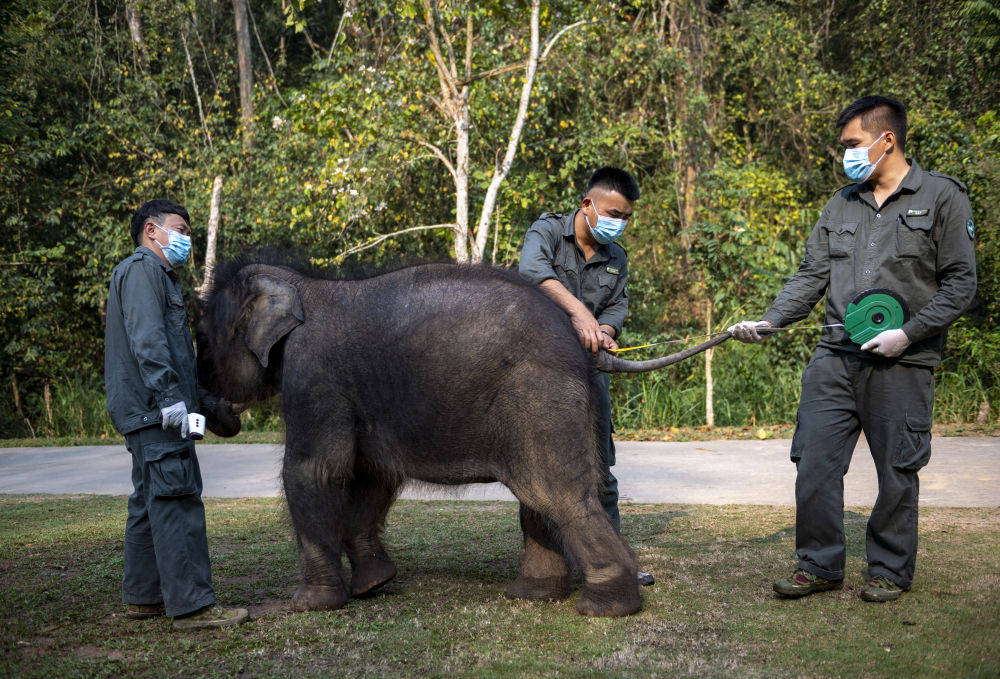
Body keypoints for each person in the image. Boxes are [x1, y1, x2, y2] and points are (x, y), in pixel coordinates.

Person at [728, 96, 977, 602]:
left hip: (904, 361)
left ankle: (887, 569)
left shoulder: (943, 197)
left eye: (853, 144)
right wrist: (771, 320)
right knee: (814, 461)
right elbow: (811, 275)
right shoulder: (841, 203)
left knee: (897, 470)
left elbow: (960, 283)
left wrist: (908, 333)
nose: (846, 155)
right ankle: (818, 563)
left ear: (887, 141)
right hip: (835, 356)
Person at [104, 199, 248, 629]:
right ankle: (193, 607)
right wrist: (170, 400)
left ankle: (145, 598)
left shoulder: (151, 277)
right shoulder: (144, 271)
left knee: (149, 503)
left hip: (148, 410)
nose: (186, 239)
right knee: (177, 498)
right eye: (180, 229)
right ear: (152, 230)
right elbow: (149, 342)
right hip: (155, 410)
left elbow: (176, 356)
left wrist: (207, 405)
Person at [519, 167, 654, 587]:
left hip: (589, 374)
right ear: (587, 205)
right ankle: (549, 562)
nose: (620, 223)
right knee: (540, 468)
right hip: (538, 373)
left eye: (626, 217)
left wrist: (607, 331)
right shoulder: (545, 232)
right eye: (613, 213)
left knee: (599, 469)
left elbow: (617, 307)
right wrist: (581, 315)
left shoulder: (617, 257)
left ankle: (610, 560)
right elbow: (532, 274)